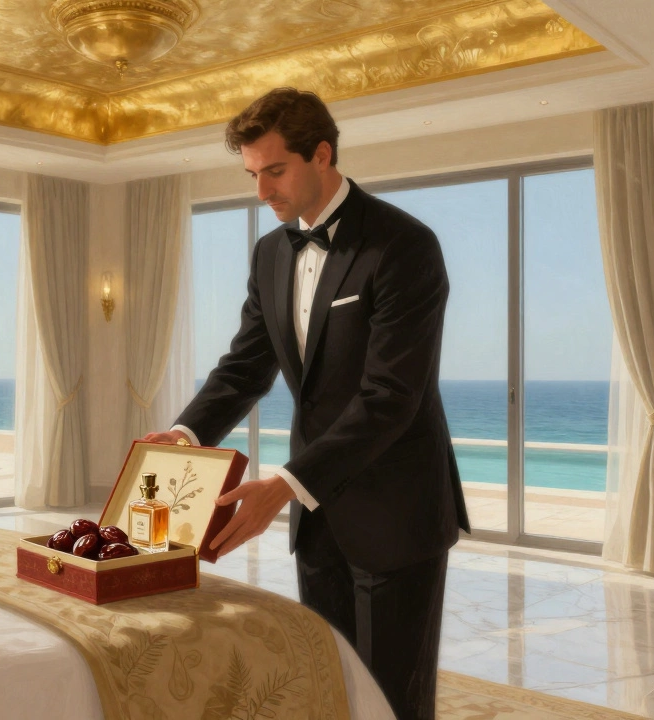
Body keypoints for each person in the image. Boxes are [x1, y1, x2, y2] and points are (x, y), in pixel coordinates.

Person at [143, 87, 469, 720]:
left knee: (394, 701)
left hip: (397, 512)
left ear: (322, 154)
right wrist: (186, 434)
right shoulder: (270, 254)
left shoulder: (404, 246)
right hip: (318, 521)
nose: (262, 192)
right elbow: (244, 367)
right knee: (329, 686)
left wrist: (286, 485)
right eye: (252, 175)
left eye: (275, 171)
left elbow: (390, 397)